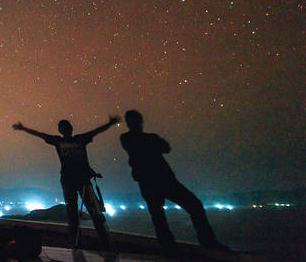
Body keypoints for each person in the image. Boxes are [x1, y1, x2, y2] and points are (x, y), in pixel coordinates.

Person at [120, 109, 227, 254]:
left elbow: (165, 148)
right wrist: (154, 143)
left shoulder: (136, 138)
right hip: (155, 181)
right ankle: (185, 245)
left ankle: (196, 243)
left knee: (177, 211)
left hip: (159, 180)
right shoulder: (131, 138)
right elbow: (162, 147)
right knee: (164, 215)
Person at [13, 116, 119, 249]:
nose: (65, 130)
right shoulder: (72, 140)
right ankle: (80, 242)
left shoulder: (73, 139)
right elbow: (41, 135)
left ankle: (99, 242)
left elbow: (95, 131)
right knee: (77, 211)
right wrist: (24, 128)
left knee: (89, 211)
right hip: (72, 180)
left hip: (78, 179)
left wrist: (109, 124)